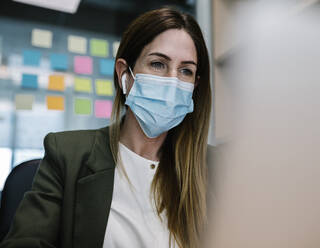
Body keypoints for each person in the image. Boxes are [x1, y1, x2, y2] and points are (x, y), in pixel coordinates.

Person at [0, 7, 211, 248]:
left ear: (195, 85)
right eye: (158, 64)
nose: (172, 81)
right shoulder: (69, 153)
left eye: (186, 71)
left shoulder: (216, 168)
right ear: (124, 74)